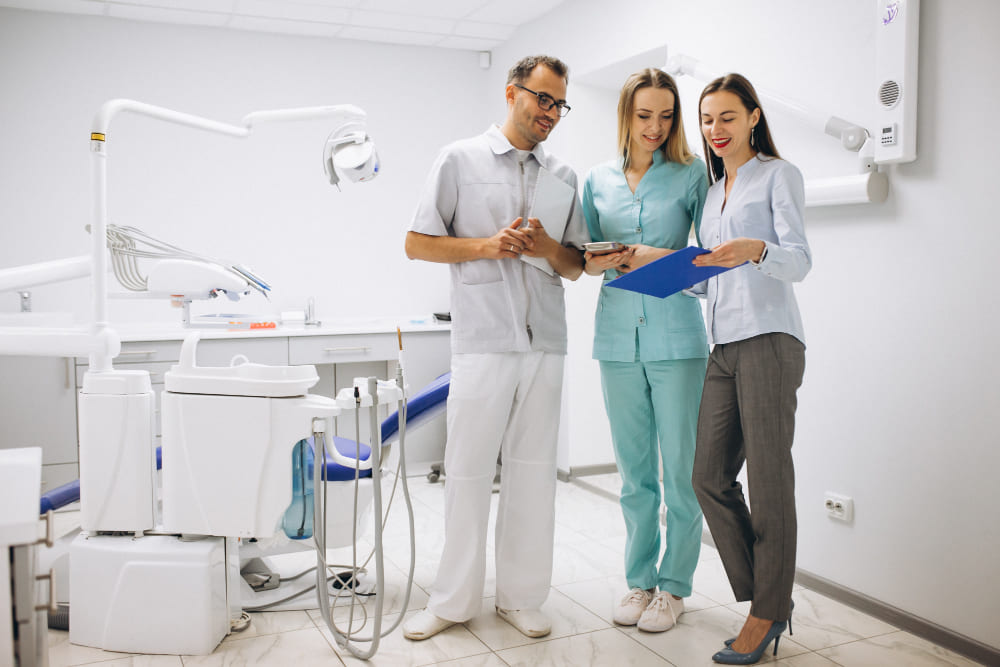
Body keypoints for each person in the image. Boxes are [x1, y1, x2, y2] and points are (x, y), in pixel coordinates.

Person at [402, 55, 588, 641]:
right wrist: (488, 246)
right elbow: (417, 243)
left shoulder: (564, 176)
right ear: (513, 93)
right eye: (543, 100)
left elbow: (575, 266)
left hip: (546, 340)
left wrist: (547, 246)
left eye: (560, 104)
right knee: (467, 470)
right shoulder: (459, 159)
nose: (551, 114)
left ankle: (521, 597)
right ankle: (452, 601)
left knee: (534, 474)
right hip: (483, 338)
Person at [580, 68, 709, 633]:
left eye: (665, 115)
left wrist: (644, 254)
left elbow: (708, 258)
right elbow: (583, 258)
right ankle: (640, 581)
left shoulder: (692, 175)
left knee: (681, 472)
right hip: (616, 337)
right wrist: (598, 257)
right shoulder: (597, 180)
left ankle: (675, 588)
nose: (655, 127)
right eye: (644, 115)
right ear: (625, 116)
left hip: (677, 338)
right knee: (634, 474)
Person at [689, 73, 811, 664]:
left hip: (769, 341)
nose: (716, 129)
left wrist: (757, 249)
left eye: (727, 117)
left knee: (768, 482)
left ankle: (766, 612)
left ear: (754, 117)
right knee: (707, 477)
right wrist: (657, 271)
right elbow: (713, 277)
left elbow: (800, 262)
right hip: (723, 344)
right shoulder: (712, 195)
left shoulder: (777, 176)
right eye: (708, 119)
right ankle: (769, 596)